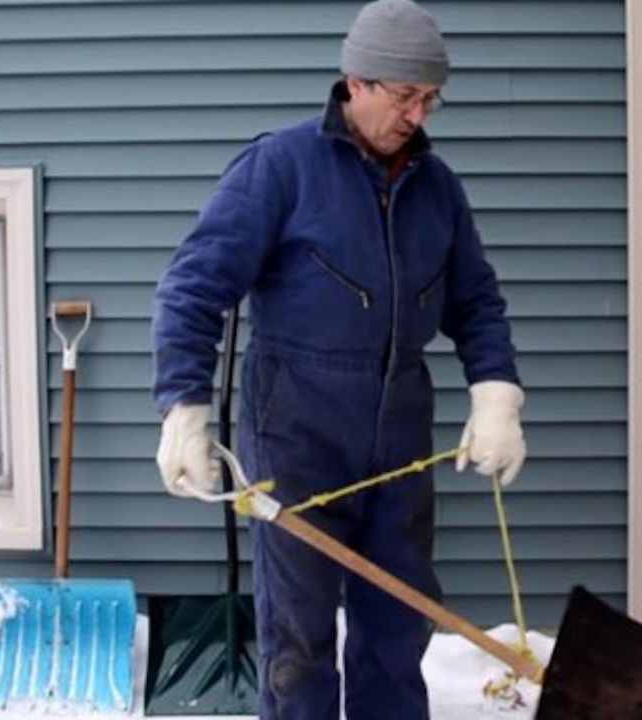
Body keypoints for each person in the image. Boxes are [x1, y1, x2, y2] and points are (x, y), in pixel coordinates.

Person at [151, 1, 526, 717]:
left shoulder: (437, 187)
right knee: (300, 639)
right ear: (356, 81)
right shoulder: (280, 168)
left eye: (430, 98)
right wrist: (184, 409)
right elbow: (193, 287)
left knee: (397, 621)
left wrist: (496, 395)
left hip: (399, 428)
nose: (419, 114)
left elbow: (476, 302)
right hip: (296, 431)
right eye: (405, 96)